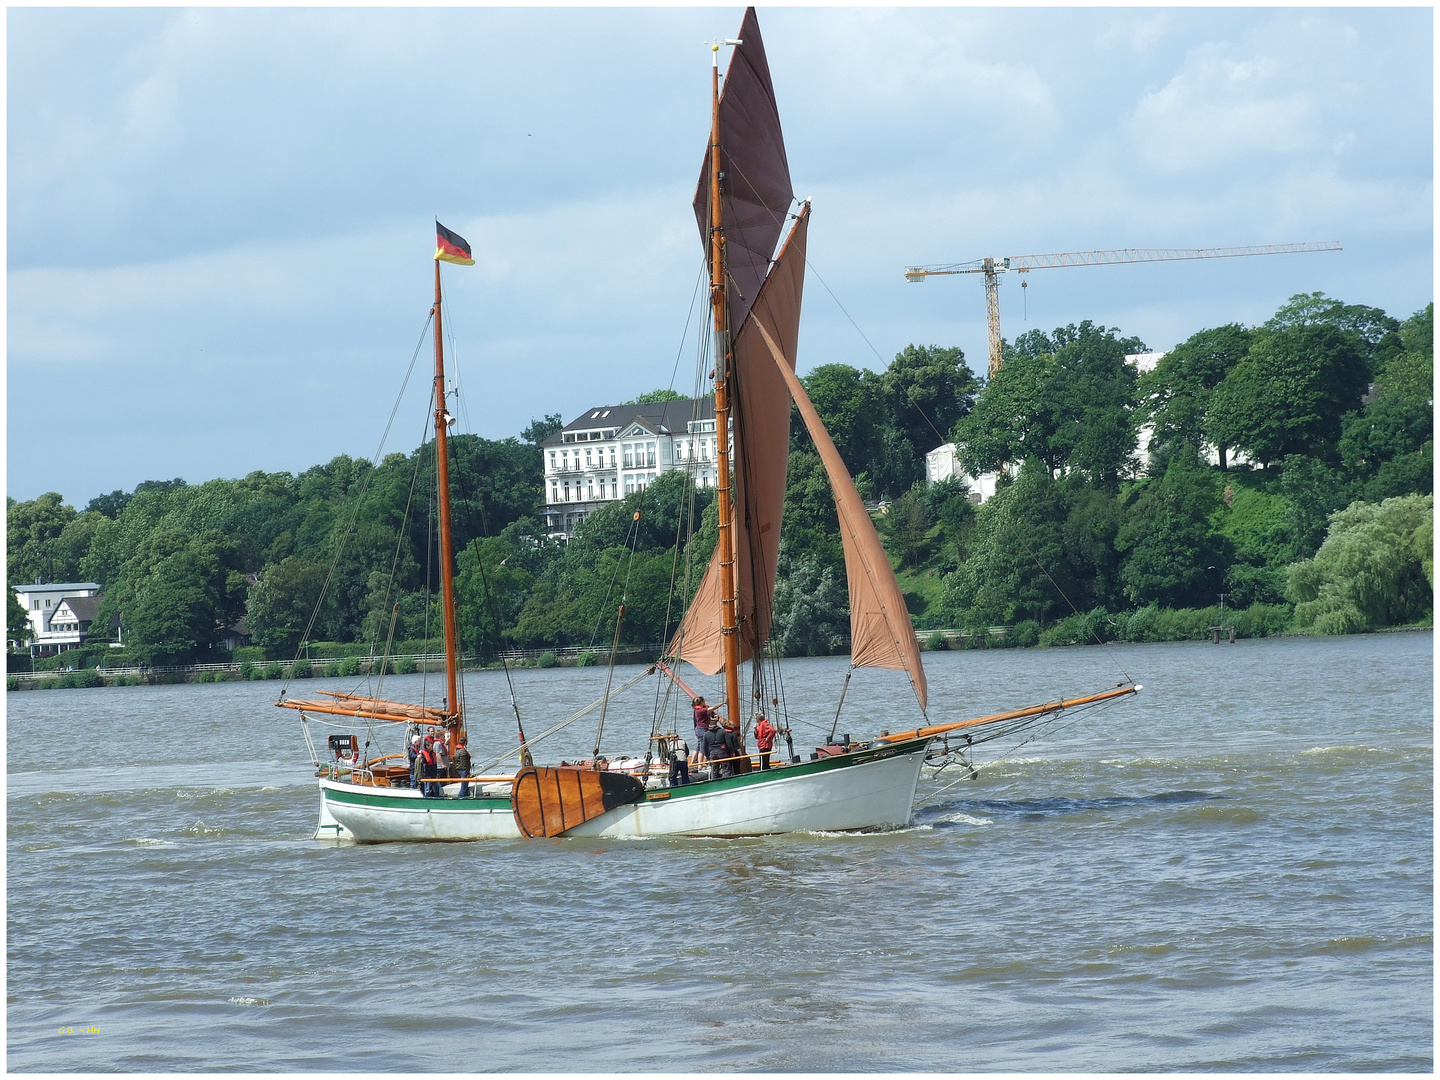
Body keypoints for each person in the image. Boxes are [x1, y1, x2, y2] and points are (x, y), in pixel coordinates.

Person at [454, 734, 472, 798]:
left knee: (464, 784)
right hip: (463, 769)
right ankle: (461, 796)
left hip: (459, 768)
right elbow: (465, 762)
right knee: (464, 785)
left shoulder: (456, 750)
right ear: (465, 743)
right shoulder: (463, 752)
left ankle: (463, 795)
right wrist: (467, 771)